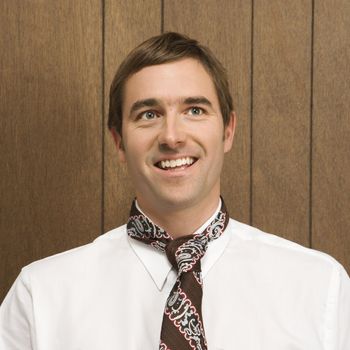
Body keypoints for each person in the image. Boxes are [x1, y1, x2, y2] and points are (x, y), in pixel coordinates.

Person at [1, 32, 349, 350]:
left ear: (228, 130)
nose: (172, 136)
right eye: (149, 114)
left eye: (194, 110)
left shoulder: (320, 289)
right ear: (119, 141)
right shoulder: (41, 296)